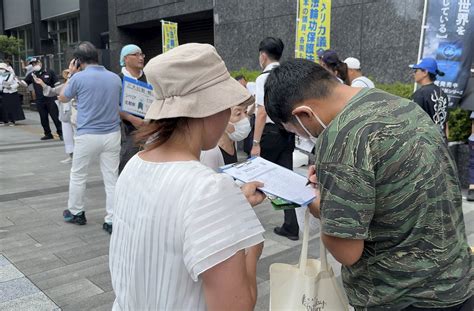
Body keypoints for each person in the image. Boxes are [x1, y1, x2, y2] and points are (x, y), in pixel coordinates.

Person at [263, 58, 473, 310]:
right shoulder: (399, 104)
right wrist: (336, 181)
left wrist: (318, 204)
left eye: (293, 130)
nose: (302, 137)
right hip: (455, 279)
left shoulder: (341, 137)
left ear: (304, 113)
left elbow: (347, 252)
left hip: (403, 296)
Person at [109, 43, 265, 311]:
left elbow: (167, 225)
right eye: (227, 107)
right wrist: (252, 244)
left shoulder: (134, 164)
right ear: (209, 109)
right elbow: (236, 305)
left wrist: (233, 205)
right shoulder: (209, 187)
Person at [59, 41, 122, 234]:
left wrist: (71, 74)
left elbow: (62, 97)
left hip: (87, 135)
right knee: (111, 178)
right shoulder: (114, 78)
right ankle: (111, 220)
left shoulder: (78, 78)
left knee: (78, 175)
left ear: (78, 61)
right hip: (112, 134)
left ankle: (77, 212)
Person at [251, 37, 299, 241]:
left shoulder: (264, 78)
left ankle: (246, 227)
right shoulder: (288, 76)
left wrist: (255, 143)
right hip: (287, 133)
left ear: (263, 55)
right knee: (285, 179)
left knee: (254, 179)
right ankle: (291, 226)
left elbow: (262, 113)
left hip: (269, 135)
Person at [35, 68, 76, 164]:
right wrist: (42, 83)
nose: (67, 76)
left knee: (78, 137)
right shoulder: (65, 85)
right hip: (65, 114)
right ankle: (71, 155)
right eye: (67, 74)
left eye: (69, 74)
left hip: (77, 114)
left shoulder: (80, 83)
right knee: (68, 136)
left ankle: (79, 157)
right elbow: (51, 91)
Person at [118, 44, 147, 173]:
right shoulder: (119, 79)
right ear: (125, 59)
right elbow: (114, 105)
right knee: (128, 164)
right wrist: (130, 118)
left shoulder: (149, 77)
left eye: (141, 54)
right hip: (128, 129)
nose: (140, 58)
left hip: (150, 127)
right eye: (135, 55)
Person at [23, 58, 62, 140]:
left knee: (55, 117)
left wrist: (59, 95)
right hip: (40, 99)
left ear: (40, 62)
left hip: (51, 98)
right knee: (43, 118)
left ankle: (61, 132)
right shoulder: (32, 74)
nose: (34, 65)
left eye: (35, 63)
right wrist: (17, 82)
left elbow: (57, 85)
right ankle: (48, 133)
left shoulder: (50, 72)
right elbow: (25, 83)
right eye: (32, 64)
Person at [410, 57, 449, 138]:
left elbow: (413, 122)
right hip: (441, 144)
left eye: (416, 70)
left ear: (425, 72)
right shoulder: (442, 93)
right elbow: (445, 123)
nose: (413, 74)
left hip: (425, 145)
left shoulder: (419, 94)